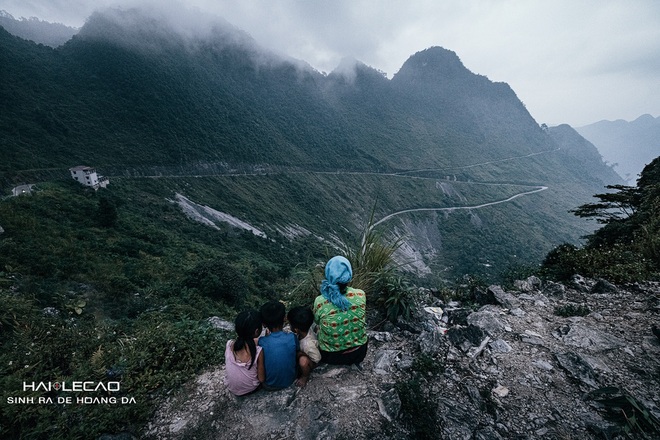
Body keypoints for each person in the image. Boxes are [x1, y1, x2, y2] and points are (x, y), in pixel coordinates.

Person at [313, 256, 368, 366]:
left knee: (317, 327)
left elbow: (317, 322)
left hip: (332, 357)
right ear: (349, 275)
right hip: (359, 352)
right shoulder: (361, 294)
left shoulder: (320, 301)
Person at [224, 309, 265, 396]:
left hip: (232, 389)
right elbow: (261, 379)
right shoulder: (258, 351)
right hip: (250, 389)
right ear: (257, 331)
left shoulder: (229, 344)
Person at [258, 300, 297, 390]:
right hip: (290, 381)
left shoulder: (262, 341)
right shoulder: (292, 337)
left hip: (268, 385)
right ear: (285, 318)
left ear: (263, 324)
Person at [287, 306, 321, 387]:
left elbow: (317, 359)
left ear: (296, 329)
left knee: (303, 361)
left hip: (311, 361)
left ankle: (305, 376)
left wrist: (302, 354)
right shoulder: (307, 327)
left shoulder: (308, 345)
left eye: (290, 324)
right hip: (306, 352)